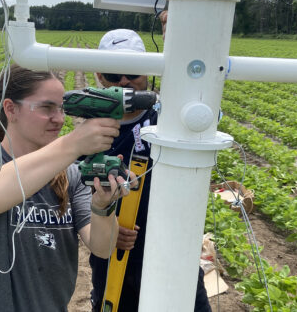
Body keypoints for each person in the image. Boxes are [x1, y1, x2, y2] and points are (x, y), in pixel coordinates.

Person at [0, 64, 135, 312]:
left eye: (61, 109)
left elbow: (102, 247)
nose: (59, 119)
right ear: (11, 109)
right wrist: (72, 144)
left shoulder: (70, 173)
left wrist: (103, 206)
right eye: (46, 108)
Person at [89, 29, 212, 311]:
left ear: (149, 71)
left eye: (133, 72)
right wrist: (106, 226)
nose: (124, 81)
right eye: (113, 74)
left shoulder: (170, 118)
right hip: (117, 253)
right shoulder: (91, 131)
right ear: (98, 75)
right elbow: (79, 190)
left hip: (173, 249)